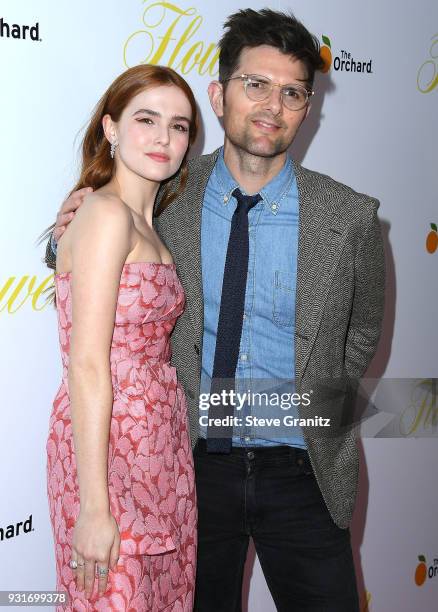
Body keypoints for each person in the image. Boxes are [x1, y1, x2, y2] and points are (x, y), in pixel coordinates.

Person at [46, 9, 385, 612]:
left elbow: (359, 337)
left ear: (308, 107)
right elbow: (107, 265)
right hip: (190, 466)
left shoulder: (349, 216)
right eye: (255, 84)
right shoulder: (168, 194)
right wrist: (60, 236)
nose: (271, 106)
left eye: (291, 92)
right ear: (220, 93)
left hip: (305, 473)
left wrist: (309, 413)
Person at [45, 64, 198, 611]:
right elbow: (86, 364)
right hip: (106, 452)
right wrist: (93, 506)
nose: (163, 137)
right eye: (147, 119)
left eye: (179, 126)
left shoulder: (148, 223)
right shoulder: (105, 214)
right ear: (110, 128)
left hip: (161, 450)